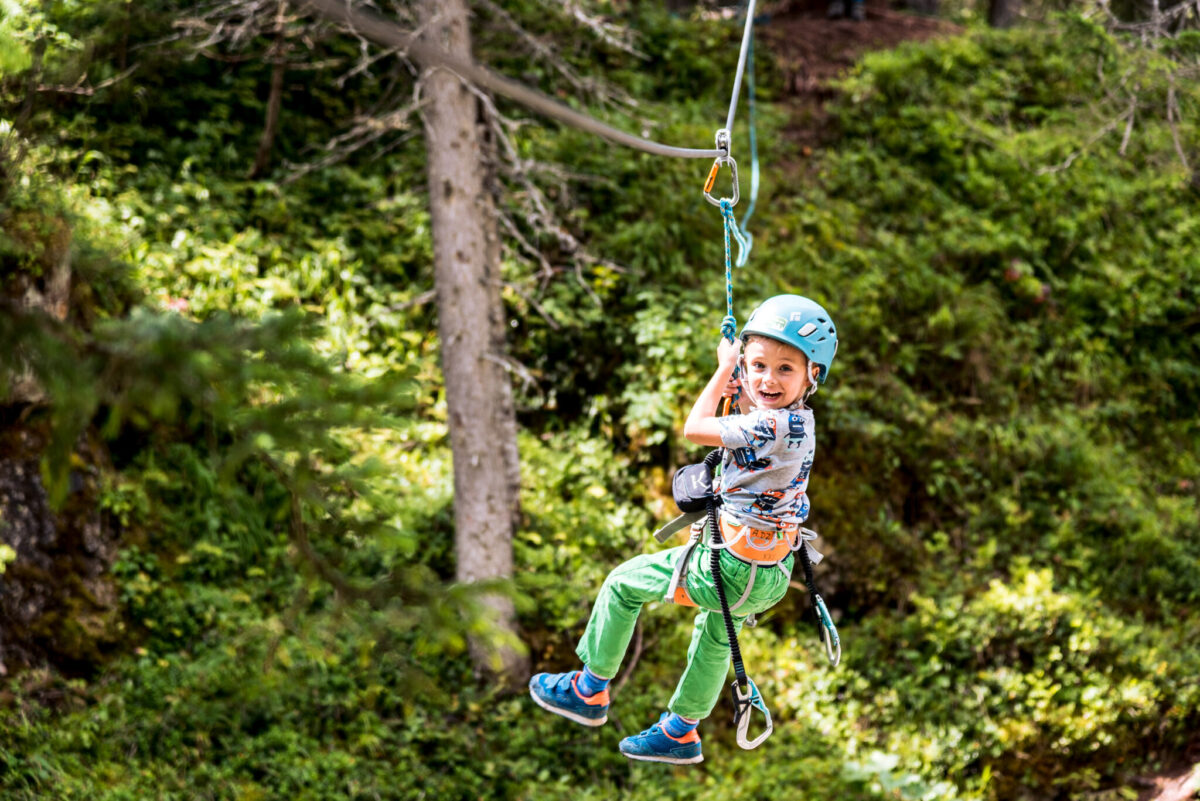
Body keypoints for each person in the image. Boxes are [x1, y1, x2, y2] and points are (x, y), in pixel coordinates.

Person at [529, 295, 838, 765]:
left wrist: (724, 370)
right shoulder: (798, 422)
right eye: (758, 366)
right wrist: (740, 378)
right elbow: (749, 415)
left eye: (784, 369)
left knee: (623, 584)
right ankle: (680, 730)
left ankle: (588, 689)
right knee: (718, 630)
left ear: (811, 375)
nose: (767, 379)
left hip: (731, 568)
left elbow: (695, 428)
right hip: (770, 575)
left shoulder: (766, 425)